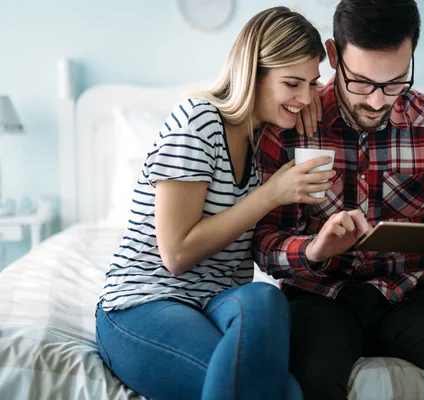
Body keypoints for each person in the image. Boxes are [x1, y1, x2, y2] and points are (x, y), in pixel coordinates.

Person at [253, 1, 424, 399]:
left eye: (395, 82)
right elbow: (263, 242)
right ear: (333, 55)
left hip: (408, 294)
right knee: (304, 376)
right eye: (361, 82)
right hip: (317, 297)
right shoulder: (289, 123)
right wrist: (313, 249)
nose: (378, 101)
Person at [95, 7, 331, 400]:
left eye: (312, 84)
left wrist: (314, 102)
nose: (304, 97)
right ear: (251, 73)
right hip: (145, 301)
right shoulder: (197, 121)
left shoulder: (265, 139)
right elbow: (176, 254)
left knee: (265, 296)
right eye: (292, 84)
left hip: (216, 300)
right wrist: (271, 194)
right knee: (284, 393)